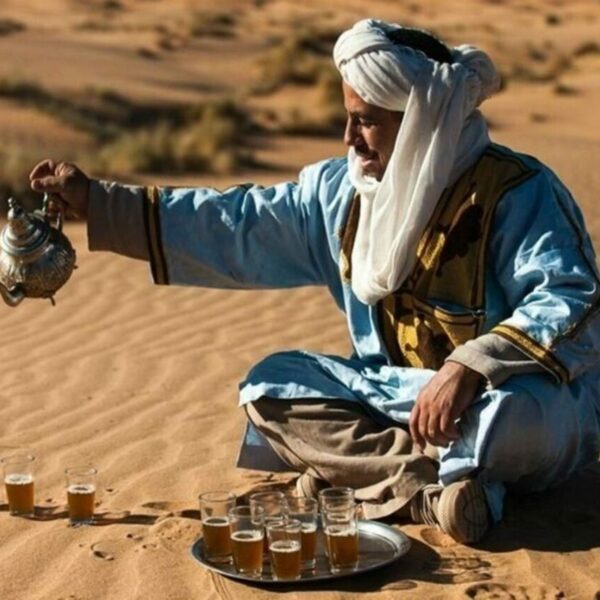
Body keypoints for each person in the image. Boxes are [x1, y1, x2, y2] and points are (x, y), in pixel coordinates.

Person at [28, 19, 600, 544]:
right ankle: (422, 494)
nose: (349, 137)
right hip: (394, 395)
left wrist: (471, 366)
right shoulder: (338, 193)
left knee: (518, 423)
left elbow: (572, 297)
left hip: (487, 403)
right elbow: (239, 225)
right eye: (348, 116)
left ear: (422, 120)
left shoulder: (517, 192)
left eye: (368, 120)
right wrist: (99, 203)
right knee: (271, 387)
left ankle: (353, 477)